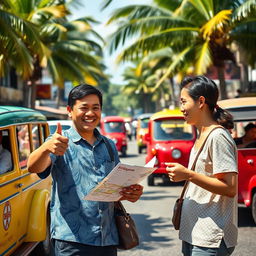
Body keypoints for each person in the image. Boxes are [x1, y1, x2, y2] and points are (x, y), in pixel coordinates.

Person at [27, 84, 143, 256]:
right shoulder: (59, 142)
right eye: (84, 108)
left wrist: (132, 193)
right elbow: (33, 167)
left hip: (108, 240)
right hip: (71, 241)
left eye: (95, 108)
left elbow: (117, 187)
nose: (90, 113)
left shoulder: (109, 145)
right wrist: (46, 148)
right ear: (70, 110)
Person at [166, 75, 238, 256]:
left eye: (183, 102)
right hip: (194, 233)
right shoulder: (202, 134)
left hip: (210, 237)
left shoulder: (217, 136)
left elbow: (230, 188)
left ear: (201, 102)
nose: (181, 109)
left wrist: (188, 175)